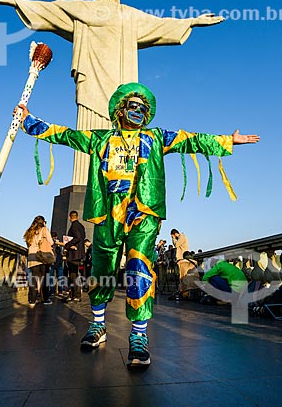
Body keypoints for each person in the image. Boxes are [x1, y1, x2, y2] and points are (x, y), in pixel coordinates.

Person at [15, 81, 259, 366]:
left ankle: (138, 336)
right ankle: (97, 325)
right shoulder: (100, 139)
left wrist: (228, 141)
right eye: (133, 106)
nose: (139, 111)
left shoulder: (156, 138)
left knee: (139, 269)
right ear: (120, 110)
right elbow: (66, 135)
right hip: (107, 212)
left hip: (143, 211)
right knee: (102, 268)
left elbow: (191, 139)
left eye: (143, 108)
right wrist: (29, 120)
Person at [0, 0, 224, 185]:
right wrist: (13, 1)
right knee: (88, 136)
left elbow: (160, 24)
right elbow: (49, 10)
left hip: (121, 84)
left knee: (121, 129)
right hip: (91, 80)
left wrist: (191, 21)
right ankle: (85, 185)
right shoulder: (82, 8)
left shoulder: (129, 15)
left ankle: (116, 181)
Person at [23, 215, 53, 306]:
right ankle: (44, 299)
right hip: (42, 256)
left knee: (33, 279)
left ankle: (32, 300)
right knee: (44, 279)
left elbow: (28, 244)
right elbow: (51, 242)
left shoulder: (29, 231)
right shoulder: (44, 229)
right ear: (43, 222)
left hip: (32, 257)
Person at [65, 211, 86, 302]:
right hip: (78, 253)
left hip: (74, 254)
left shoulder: (74, 226)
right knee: (74, 275)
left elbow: (77, 238)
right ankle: (74, 294)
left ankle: (75, 295)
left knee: (73, 275)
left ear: (70, 217)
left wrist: (68, 244)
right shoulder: (81, 226)